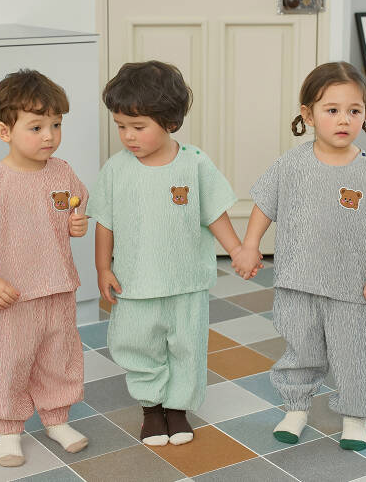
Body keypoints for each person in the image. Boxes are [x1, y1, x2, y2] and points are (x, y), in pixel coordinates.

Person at [232, 61, 366, 451]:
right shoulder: (291, 164)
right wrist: (250, 245)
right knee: (301, 348)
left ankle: (355, 416)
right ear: (308, 115)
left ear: (365, 115)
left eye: (354, 110)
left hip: (350, 287)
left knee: (353, 352)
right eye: (332, 110)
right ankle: (296, 406)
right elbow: (264, 204)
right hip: (297, 281)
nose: (344, 119)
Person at [87, 60, 249, 446]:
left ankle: (177, 410)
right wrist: (103, 268)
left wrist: (237, 249)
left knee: (187, 347)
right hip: (136, 282)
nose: (128, 136)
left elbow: (214, 213)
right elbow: (105, 223)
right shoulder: (116, 169)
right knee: (137, 344)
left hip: (186, 282)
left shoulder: (194, 163)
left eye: (138, 126)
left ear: (170, 122)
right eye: (121, 126)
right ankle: (151, 408)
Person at [0, 70, 89, 466]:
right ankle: (9, 430)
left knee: (58, 357)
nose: (50, 136)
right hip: (11, 295)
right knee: (9, 362)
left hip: (57, 287)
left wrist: (76, 224)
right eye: (36, 127)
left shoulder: (62, 172)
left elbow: (74, 207)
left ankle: (57, 419)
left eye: (56, 125)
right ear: (4, 131)